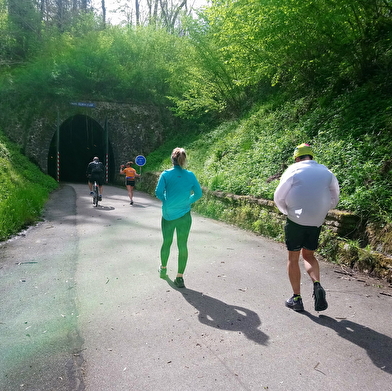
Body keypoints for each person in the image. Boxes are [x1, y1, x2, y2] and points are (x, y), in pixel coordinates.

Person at [273, 143, 340, 312]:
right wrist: (322, 211)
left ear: (296, 158)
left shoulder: (293, 170)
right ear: (311, 156)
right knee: (309, 255)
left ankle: (297, 299)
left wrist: (287, 211)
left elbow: (279, 196)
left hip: (296, 220)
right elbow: (335, 196)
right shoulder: (326, 172)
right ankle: (317, 285)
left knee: (293, 258)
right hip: (316, 221)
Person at [155, 147, 203, 288]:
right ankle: (180, 277)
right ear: (184, 159)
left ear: (172, 159)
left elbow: (158, 192)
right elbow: (198, 194)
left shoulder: (166, 175)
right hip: (185, 215)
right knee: (182, 245)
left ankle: (163, 269)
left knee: (167, 242)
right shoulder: (190, 175)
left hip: (169, 215)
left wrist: (166, 201)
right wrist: (187, 201)